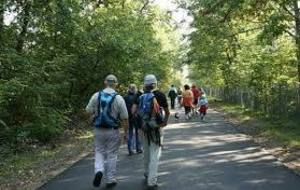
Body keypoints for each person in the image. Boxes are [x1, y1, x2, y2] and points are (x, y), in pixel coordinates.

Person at [85, 74, 129, 188]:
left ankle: (99, 170)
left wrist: (94, 115)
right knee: (112, 154)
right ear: (116, 84)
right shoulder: (119, 98)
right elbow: (125, 117)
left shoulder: (96, 95)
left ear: (105, 82)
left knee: (99, 151)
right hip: (112, 131)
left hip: (98, 129)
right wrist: (126, 133)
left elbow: (88, 110)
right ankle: (110, 179)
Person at [133, 74, 170, 190]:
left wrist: (141, 123)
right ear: (155, 83)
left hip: (143, 129)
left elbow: (133, 111)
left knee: (146, 151)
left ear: (145, 84)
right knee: (155, 154)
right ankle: (152, 181)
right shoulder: (160, 95)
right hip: (156, 128)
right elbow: (167, 112)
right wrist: (164, 122)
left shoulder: (139, 95)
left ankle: (146, 172)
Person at [124, 84, 142, 155]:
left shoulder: (125, 97)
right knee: (138, 133)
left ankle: (130, 150)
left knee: (130, 133)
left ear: (128, 89)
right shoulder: (138, 97)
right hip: (137, 117)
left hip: (128, 117)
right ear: (135, 89)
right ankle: (139, 148)